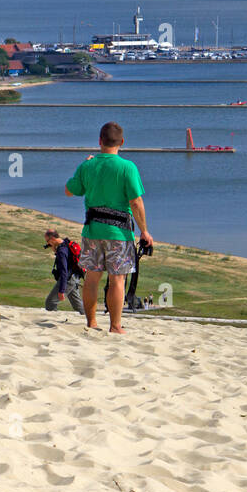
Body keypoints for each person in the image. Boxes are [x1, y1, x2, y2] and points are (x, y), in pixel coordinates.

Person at [63, 122, 154, 334]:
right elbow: (135, 202)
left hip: (92, 230)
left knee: (92, 278)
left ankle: (91, 323)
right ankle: (115, 326)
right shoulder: (127, 167)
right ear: (122, 142)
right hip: (119, 233)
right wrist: (144, 231)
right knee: (117, 280)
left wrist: (83, 166)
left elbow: (69, 190)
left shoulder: (88, 166)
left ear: (99, 141)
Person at [43, 229, 85, 315]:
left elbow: (64, 272)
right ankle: (88, 317)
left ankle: (53, 322)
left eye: (48, 241)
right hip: (75, 277)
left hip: (68, 280)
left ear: (53, 239)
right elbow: (68, 260)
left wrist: (62, 290)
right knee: (77, 304)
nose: (47, 244)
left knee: (50, 303)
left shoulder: (62, 251)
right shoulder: (66, 243)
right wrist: (55, 250)